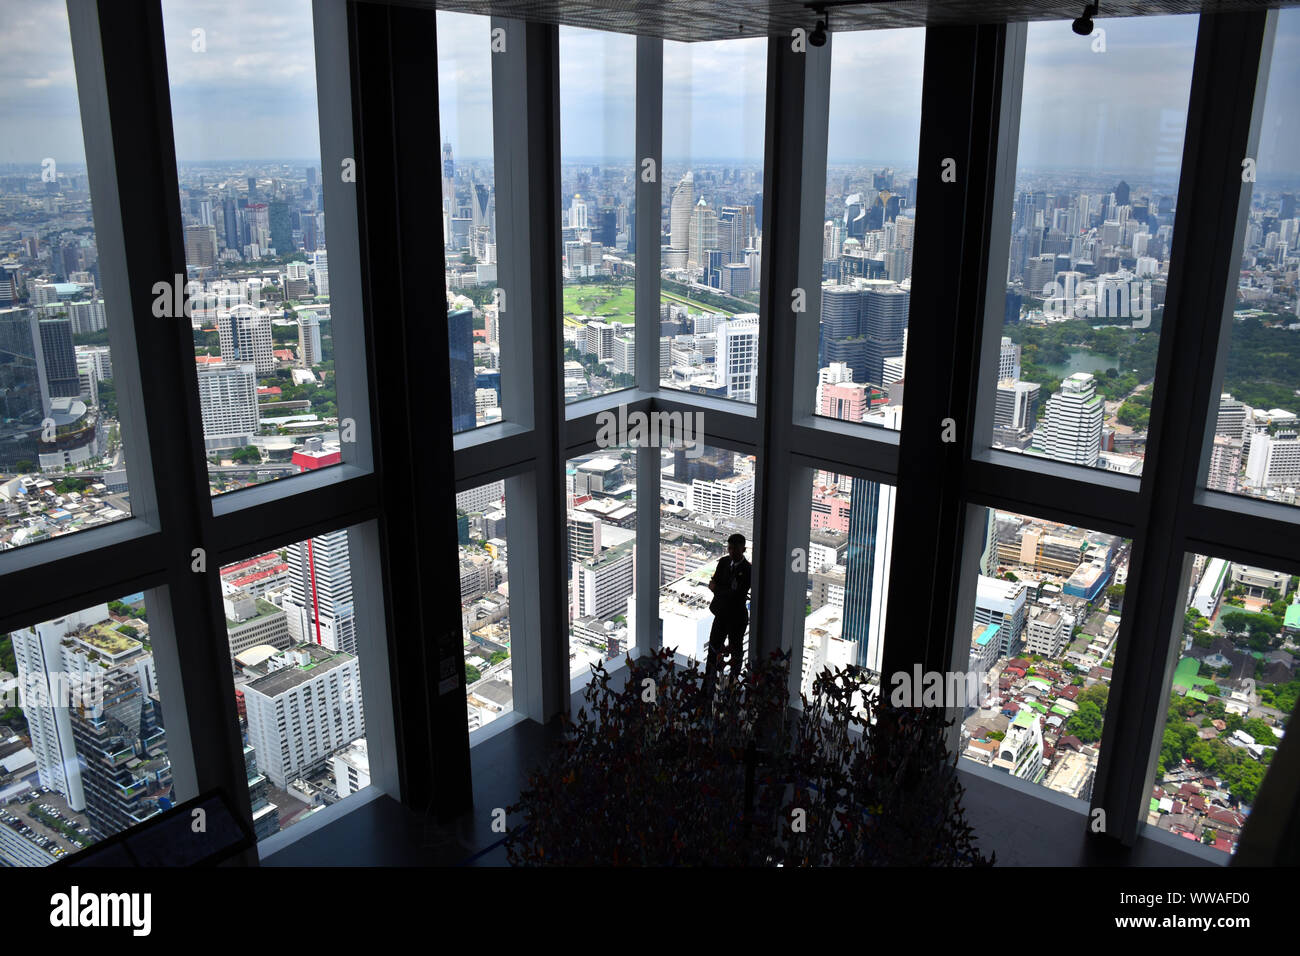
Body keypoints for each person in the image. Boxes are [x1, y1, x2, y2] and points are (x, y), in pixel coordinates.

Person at [702, 533, 752, 702]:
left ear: (743, 549)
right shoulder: (723, 562)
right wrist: (723, 591)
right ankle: (707, 687)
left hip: (737, 618)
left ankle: (731, 688)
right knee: (713, 648)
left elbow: (736, 594)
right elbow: (714, 583)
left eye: (735, 549)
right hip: (722, 614)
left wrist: (719, 590)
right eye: (730, 548)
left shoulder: (748, 570)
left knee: (736, 653)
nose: (732, 552)